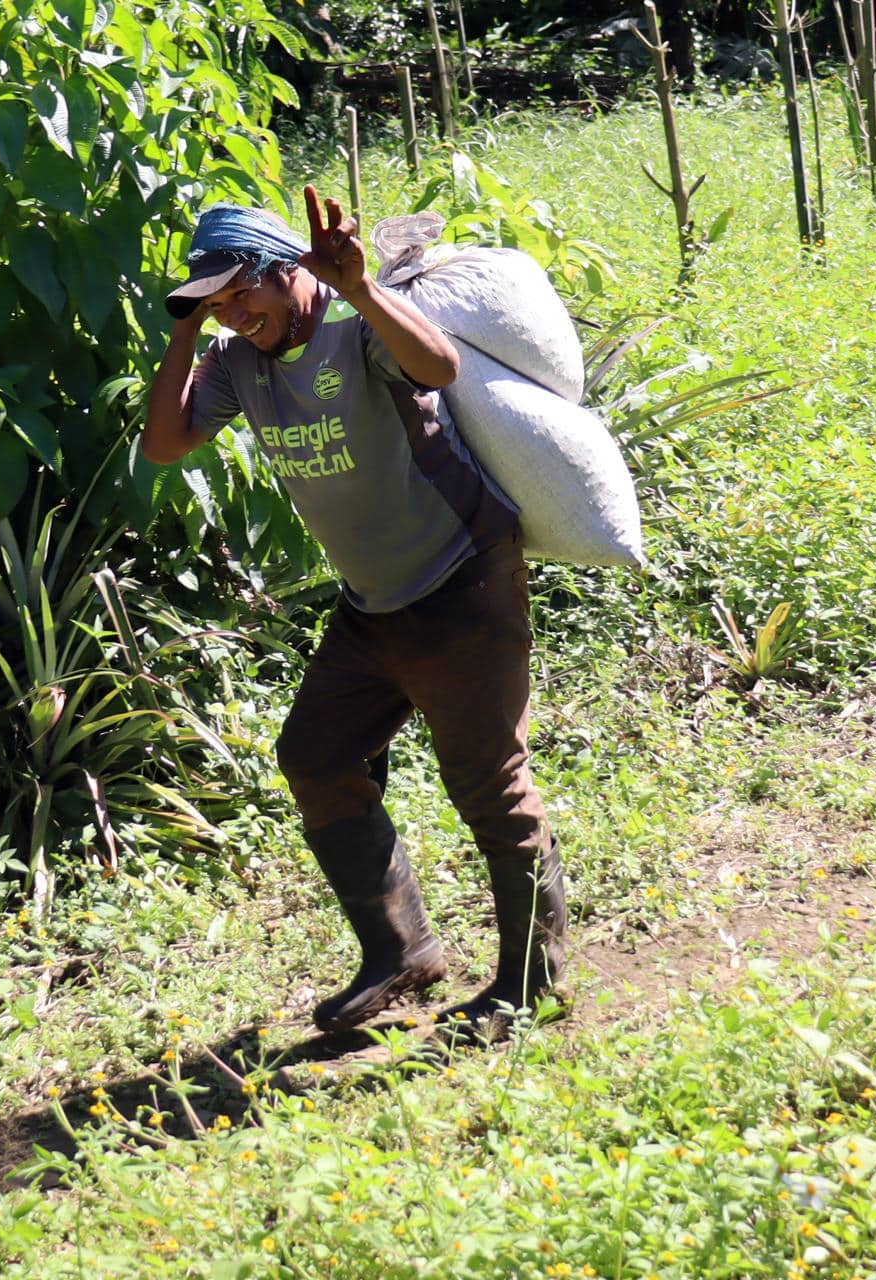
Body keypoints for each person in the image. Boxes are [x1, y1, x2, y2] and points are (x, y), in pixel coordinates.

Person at [142, 186, 567, 1044]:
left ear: (288, 270)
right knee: (316, 754)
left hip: (463, 582)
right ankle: (401, 952)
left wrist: (363, 288)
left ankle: (533, 985)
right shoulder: (234, 362)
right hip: (373, 605)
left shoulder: (353, 325)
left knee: (488, 781)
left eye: (242, 293)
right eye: (217, 301)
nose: (237, 313)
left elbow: (440, 370)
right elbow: (165, 443)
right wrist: (187, 330)